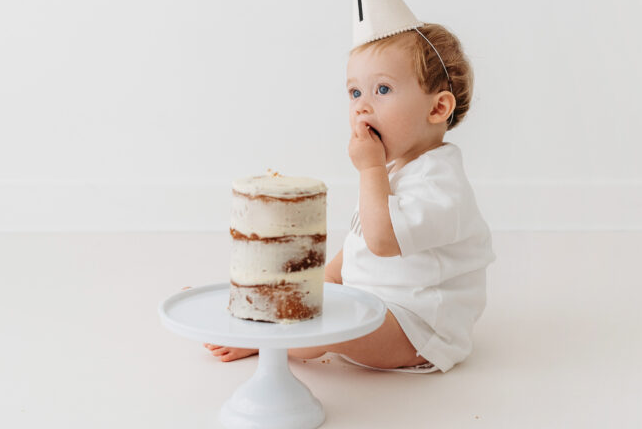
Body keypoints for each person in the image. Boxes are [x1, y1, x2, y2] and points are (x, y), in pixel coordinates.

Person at [205, 24, 494, 372]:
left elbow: (382, 241)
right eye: (355, 93)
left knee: (317, 329)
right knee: (308, 306)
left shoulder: (440, 182)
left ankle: (264, 338)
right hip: (377, 306)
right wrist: (322, 281)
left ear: (437, 108)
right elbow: (358, 244)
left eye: (382, 89)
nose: (361, 107)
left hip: (418, 329)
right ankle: (267, 317)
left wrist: (370, 169)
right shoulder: (398, 169)